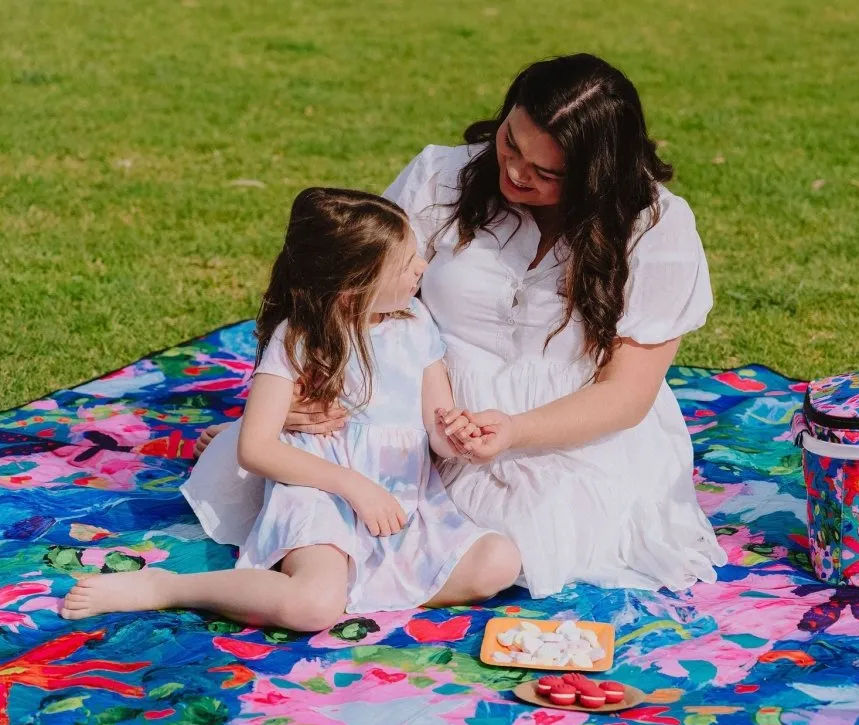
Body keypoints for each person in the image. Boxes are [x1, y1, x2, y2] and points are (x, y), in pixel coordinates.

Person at [193, 52, 727, 600]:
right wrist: (307, 393)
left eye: (547, 173)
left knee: (520, 542)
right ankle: (320, 576)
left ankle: (322, 588)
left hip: (565, 434)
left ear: (597, 175)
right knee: (319, 487)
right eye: (510, 142)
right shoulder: (441, 177)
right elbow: (347, 290)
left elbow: (626, 395)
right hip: (414, 412)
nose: (516, 173)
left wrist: (513, 431)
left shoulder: (655, 230)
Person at [61, 188, 520, 629]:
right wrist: (353, 486)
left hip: (402, 496)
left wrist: (455, 437)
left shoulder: (416, 324)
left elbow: (435, 422)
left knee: (499, 563)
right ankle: (173, 587)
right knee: (311, 607)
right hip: (319, 490)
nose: (422, 266)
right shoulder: (299, 337)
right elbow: (257, 448)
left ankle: (350, 587)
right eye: (405, 263)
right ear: (351, 287)